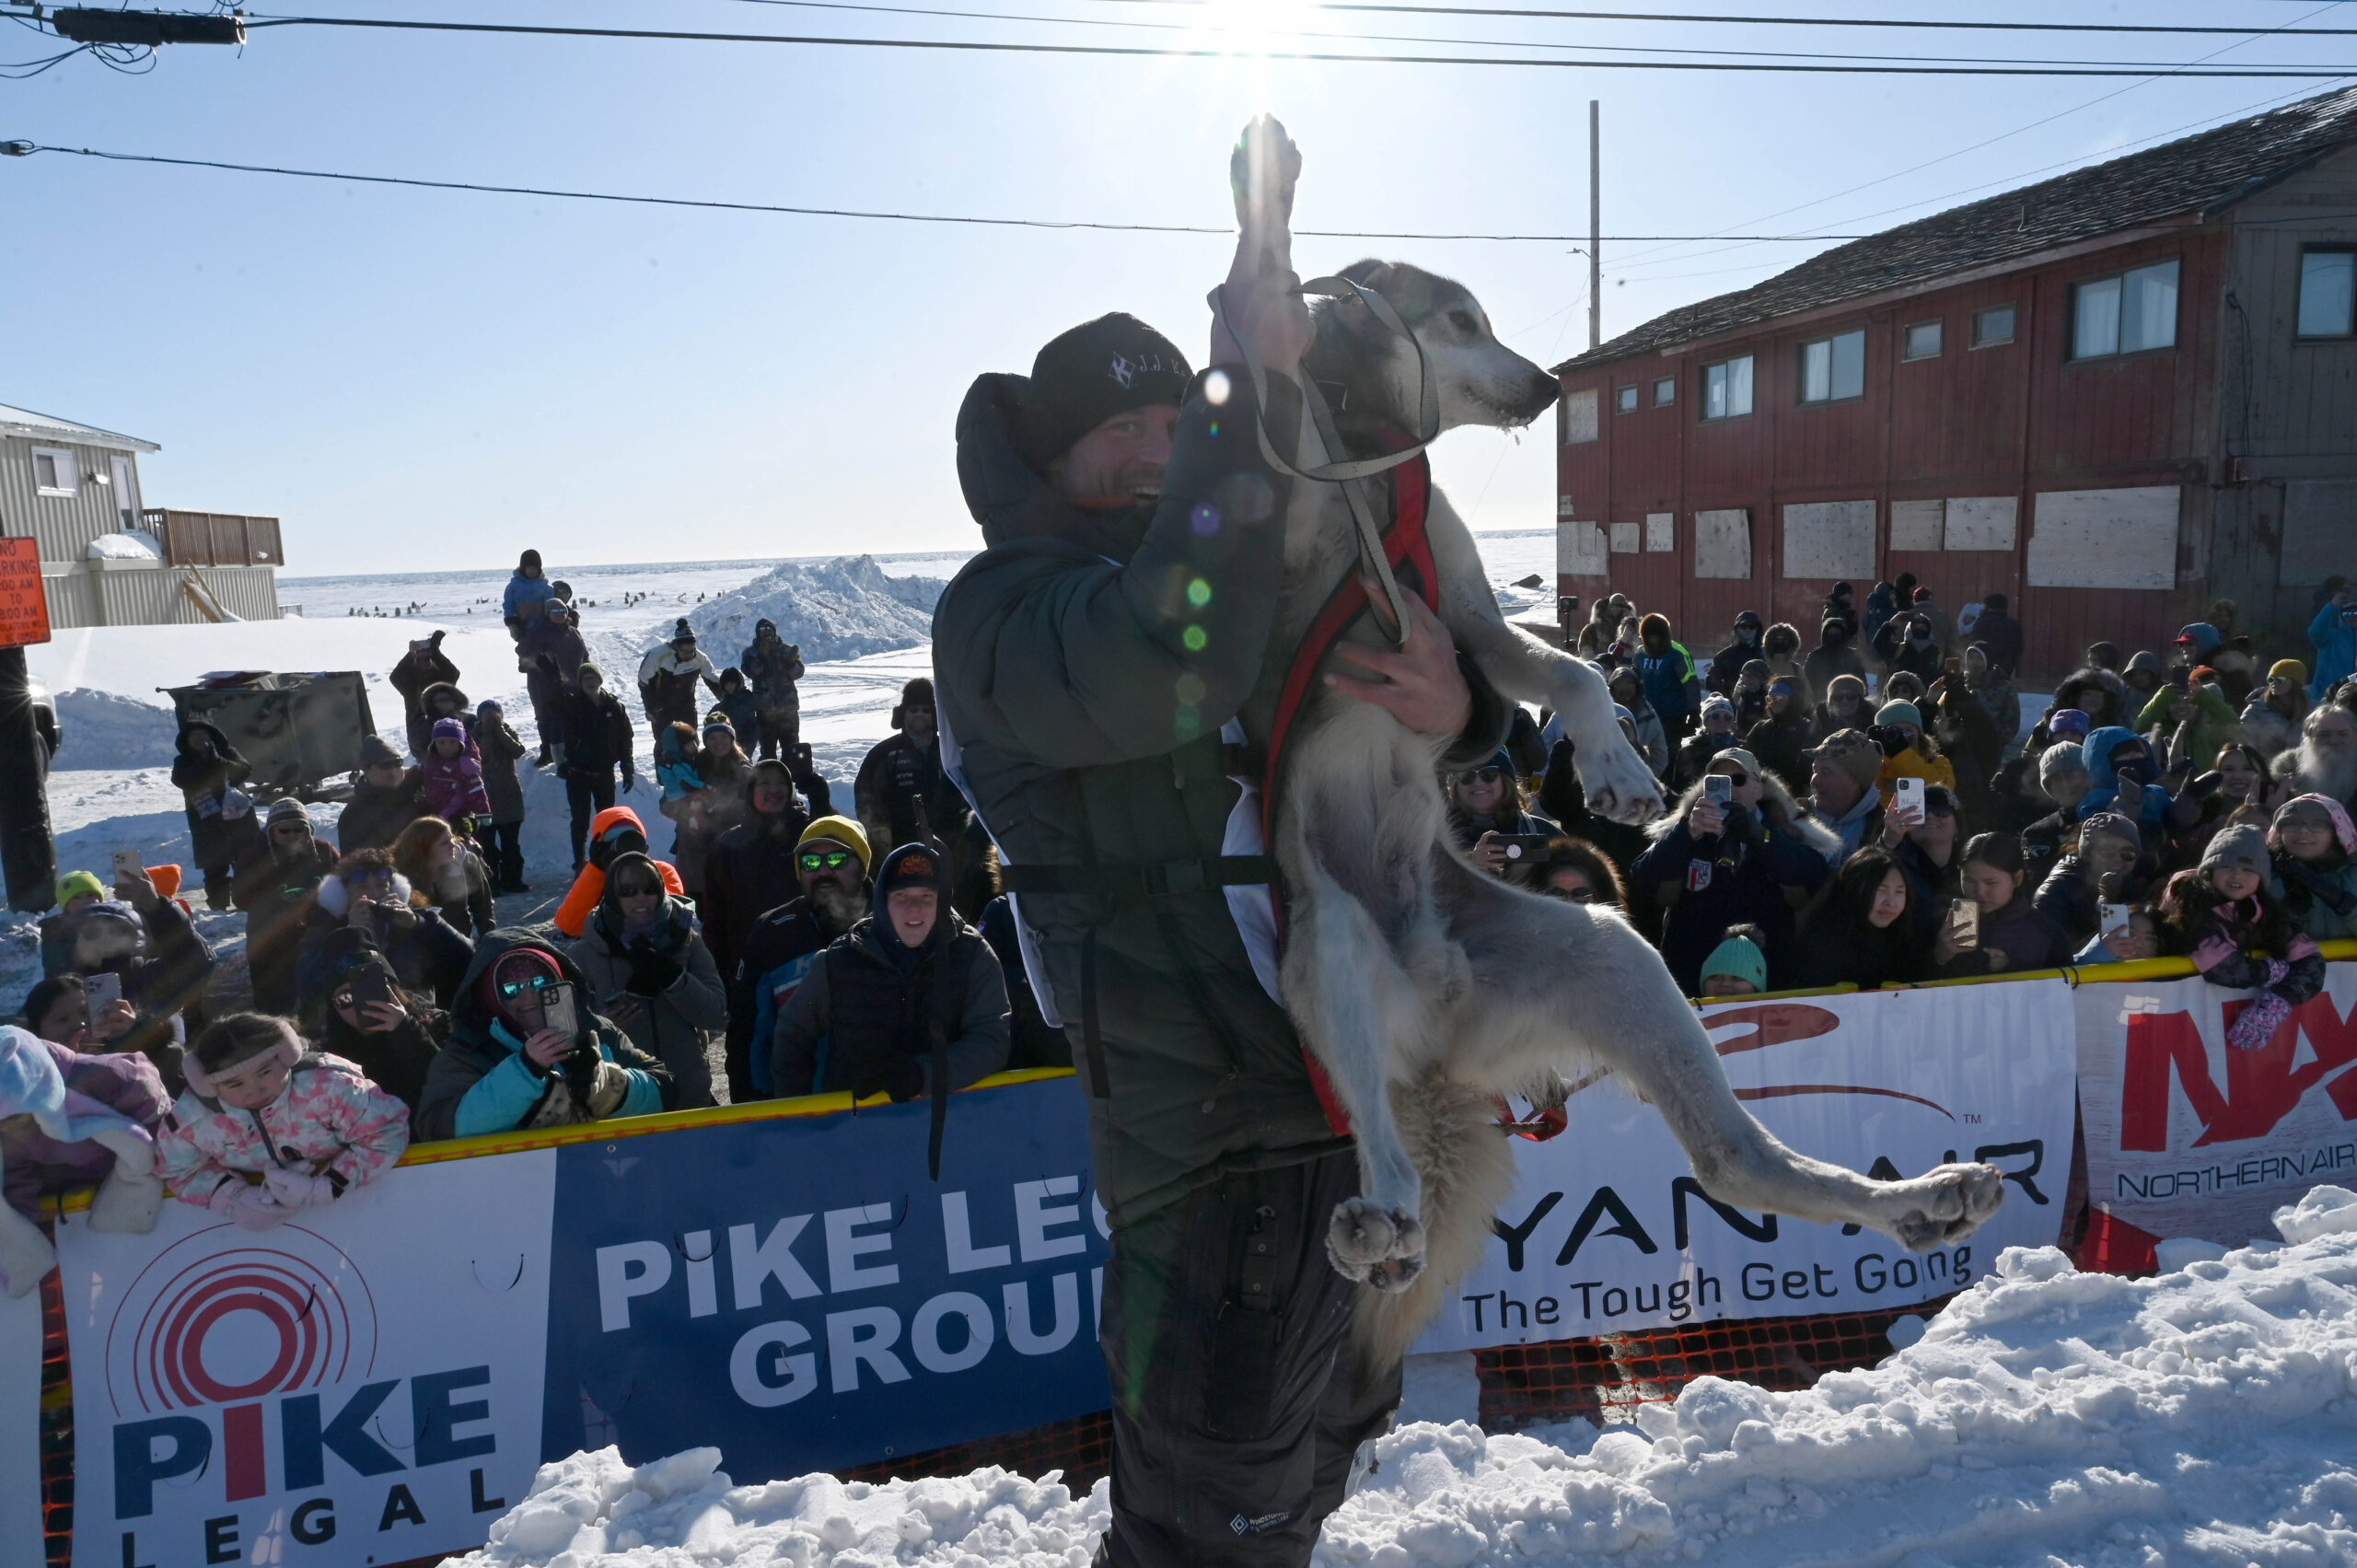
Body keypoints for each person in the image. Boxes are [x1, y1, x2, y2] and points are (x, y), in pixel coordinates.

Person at [932, 239, 1515, 1558]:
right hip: (1209, 1152)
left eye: (1165, 421)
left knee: (1317, 1455)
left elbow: (1370, 721)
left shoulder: (1232, 583)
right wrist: (1240, 399)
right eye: (1116, 428)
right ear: (1052, 456)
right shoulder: (1005, 610)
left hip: (1352, 1113)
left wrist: (1462, 708)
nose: (1147, 449)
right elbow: (1162, 666)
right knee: (1213, 1509)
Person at [768, 843, 1010, 1138]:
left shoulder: (973, 955)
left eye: (927, 897)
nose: (914, 908)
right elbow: (792, 1035)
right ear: (883, 902)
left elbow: (991, 1040)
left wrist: (920, 1075)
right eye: (901, 896)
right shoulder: (839, 960)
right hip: (852, 1132)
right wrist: (800, 1119)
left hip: (953, 1128)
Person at [159, 1013, 411, 1232]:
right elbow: (177, 1169)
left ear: (286, 1056)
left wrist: (327, 1185)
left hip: (356, 1215)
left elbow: (386, 1130)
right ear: (209, 1086)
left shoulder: (327, 1087)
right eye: (235, 1084)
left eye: (265, 1072)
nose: (255, 1090)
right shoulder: (193, 1120)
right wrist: (233, 1199)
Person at [413, 935, 673, 1140]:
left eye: (539, 983)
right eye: (511, 988)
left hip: (609, 1172)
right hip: (521, 1190)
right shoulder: (468, 1049)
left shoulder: (595, 1028)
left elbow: (665, 1090)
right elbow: (437, 1127)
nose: (528, 997)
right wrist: (525, 1072)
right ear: (488, 995)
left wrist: (607, 1086)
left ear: (557, 980)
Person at [1630, 746, 1833, 994]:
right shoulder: (1684, 831)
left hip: (1766, 979)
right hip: (1693, 980)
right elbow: (1644, 875)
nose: (1729, 789)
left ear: (1758, 789)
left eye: (1737, 780)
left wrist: (1763, 839)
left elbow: (1815, 875)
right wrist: (1686, 833)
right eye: (1718, 781)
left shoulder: (1784, 830)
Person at [570, 851, 726, 1109]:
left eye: (649, 887)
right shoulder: (583, 954)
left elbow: (716, 1014)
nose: (641, 897)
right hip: (622, 1107)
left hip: (690, 1098)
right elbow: (564, 1033)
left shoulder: (686, 941)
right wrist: (601, 1025)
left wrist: (674, 978)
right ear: (612, 896)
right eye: (628, 890)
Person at [730, 816, 871, 1100]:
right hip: (798, 1106)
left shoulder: (896, 921)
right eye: (811, 863)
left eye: (836, 861)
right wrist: (751, 1107)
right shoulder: (773, 931)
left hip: (886, 1104)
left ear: (862, 867)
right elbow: (746, 1032)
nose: (823, 872)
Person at [2157, 825, 2326, 1051]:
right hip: (2174, 1016)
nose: (2237, 876)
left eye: (2248, 870)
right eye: (2226, 866)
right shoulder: (2190, 907)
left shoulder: (2265, 911)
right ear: (2209, 871)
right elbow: (2223, 968)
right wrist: (2273, 970)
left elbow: (2311, 961)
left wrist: (2279, 1002)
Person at [0, 1026, 168, 1246]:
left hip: (164, 1187)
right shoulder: (11, 1136)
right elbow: (15, 1185)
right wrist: (24, 1243)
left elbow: (168, 1124)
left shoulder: (108, 1077)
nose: (7, 1126)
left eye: (12, 1117)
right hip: (89, 1209)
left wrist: (170, 1170)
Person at [45, 874, 212, 1091]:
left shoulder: (149, 975)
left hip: (162, 1087)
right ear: (72, 945)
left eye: (119, 930)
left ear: (136, 939)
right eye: (91, 933)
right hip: (92, 1093)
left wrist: (157, 908)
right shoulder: (63, 990)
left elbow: (197, 963)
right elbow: (32, 1032)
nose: (104, 939)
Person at [297, 849, 472, 1026]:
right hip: (351, 1028)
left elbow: (467, 959)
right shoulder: (323, 931)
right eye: (362, 887)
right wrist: (351, 937)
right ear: (342, 896)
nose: (374, 894)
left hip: (416, 1021)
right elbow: (308, 987)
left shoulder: (415, 921)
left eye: (381, 885)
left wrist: (419, 925)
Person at [703, 758, 824, 990]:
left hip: (811, 957)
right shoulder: (728, 846)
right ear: (750, 791)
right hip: (751, 962)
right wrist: (720, 972)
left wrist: (822, 805)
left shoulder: (809, 833)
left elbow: (843, 867)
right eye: (764, 783)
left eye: (781, 783)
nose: (774, 790)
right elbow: (715, 916)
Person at [233, 799, 340, 1014]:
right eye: (285, 830)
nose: (292, 836)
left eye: (299, 830)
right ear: (271, 831)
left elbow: (341, 881)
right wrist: (276, 901)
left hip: (315, 930)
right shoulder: (253, 857)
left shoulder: (323, 850)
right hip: (270, 934)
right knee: (274, 996)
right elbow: (240, 897)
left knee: (318, 992)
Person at [317, 945, 445, 1121]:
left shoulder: (439, 1024)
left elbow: (450, 1082)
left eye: (371, 990)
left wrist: (406, 1030)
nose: (360, 1004)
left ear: (393, 989)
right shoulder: (328, 1059)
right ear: (333, 1009)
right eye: (345, 999)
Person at [854, 678, 970, 861]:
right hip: (899, 848)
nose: (919, 715)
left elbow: (969, 795)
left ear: (935, 715)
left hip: (950, 848)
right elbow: (867, 800)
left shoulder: (951, 752)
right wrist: (881, 842)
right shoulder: (884, 754)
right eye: (913, 710)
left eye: (926, 710)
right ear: (903, 713)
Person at [1789, 847, 1927, 990]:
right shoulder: (1825, 947)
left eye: (1899, 891)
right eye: (1880, 890)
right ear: (1853, 889)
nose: (1891, 902)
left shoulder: (1905, 938)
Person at [1933, 832, 2068, 977]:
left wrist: (2012, 968)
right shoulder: (1941, 924)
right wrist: (1939, 957)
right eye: (1969, 881)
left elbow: (2065, 989)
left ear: (2017, 878)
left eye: (1991, 883)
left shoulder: (2044, 931)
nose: (1980, 892)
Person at [552, 805, 685, 938]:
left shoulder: (663, 871)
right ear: (602, 847)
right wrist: (597, 869)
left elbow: (673, 916)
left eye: (633, 840)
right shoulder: (599, 876)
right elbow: (570, 926)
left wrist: (646, 872)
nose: (627, 847)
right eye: (615, 841)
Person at [556, 664, 640, 870]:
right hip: (579, 774)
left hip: (604, 773)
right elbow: (560, 732)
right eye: (585, 679)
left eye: (593, 678)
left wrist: (627, 768)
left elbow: (625, 739)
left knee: (607, 819)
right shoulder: (572, 706)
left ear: (600, 680)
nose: (590, 682)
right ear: (580, 683)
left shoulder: (614, 706)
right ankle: (580, 864)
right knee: (581, 821)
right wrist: (563, 762)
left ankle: (605, 862)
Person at [170, 721, 259, 910]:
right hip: (207, 824)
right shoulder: (183, 761)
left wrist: (217, 760)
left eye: (204, 735)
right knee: (214, 868)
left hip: (239, 820)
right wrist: (203, 761)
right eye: (194, 736)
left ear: (212, 736)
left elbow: (244, 770)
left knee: (246, 863)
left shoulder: (228, 753)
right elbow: (181, 780)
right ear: (187, 741)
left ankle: (250, 902)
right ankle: (218, 906)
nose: (200, 739)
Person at [2031, 811, 2144, 947]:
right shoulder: (2055, 892)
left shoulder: (2129, 886)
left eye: (2128, 853)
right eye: (2107, 850)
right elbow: (2059, 952)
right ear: (2088, 854)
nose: (2118, 859)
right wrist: (2109, 906)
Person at [1445, 749, 1558, 880]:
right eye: (1466, 776)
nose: (1477, 783)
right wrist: (1470, 866)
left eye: (1488, 774)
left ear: (1505, 780)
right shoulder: (1439, 839)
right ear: (1455, 785)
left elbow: (1575, 878)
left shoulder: (1541, 831)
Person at [390, 815, 497, 938]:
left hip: (461, 943)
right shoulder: (403, 873)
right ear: (425, 849)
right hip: (422, 944)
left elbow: (483, 908)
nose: (453, 845)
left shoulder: (466, 861)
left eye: (451, 838)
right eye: (444, 843)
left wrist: (489, 940)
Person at [2270, 794, 2357, 943]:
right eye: (2291, 823)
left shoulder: (2353, 875)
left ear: (2336, 832)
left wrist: (2342, 901)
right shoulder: (2261, 874)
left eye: (2317, 824)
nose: (2303, 830)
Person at [519, 597, 589, 764]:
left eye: (563, 611)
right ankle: (559, 762)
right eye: (555, 611)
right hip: (549, 687)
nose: (560, 614)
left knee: (575, 721)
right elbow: (525, 659)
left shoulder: (573, 632)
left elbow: (585, 656)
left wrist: (588, 674)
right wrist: (544, 669)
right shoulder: (538, 633)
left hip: (575, 684)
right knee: (552, 721)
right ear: (547, 613)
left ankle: (577, 757)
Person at [1802, 728, 1885, 862]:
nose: (1814, 781)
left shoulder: (1884, 828)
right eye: (1814, 770)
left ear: (1856, 780)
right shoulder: (1794, 817)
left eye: (1826, 772)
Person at [338, 736, 428, 853]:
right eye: (385, 765)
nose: (394, 771)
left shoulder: (417, 792)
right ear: (367, 770)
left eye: (398, 763)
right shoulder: (354, 814)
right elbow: (354, 862)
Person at [476, 699, 529, 893]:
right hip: (485, 798)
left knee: (511, 845)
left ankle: (513, 880)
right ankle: (492, 883)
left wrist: (500, 730)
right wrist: (488, 732)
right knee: (487, 846)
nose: (490, 717)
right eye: (486, 713)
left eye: (494, 712)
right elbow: (482, 755)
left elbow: (517, 751)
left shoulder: (508, 731)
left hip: (509, 796)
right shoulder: (475, 735)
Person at [638, 620, 721, 745]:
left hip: (687, 706)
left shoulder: (699, 658)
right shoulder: (657, 656)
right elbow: (644, 682)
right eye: (684, 652)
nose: (689, 655)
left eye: (692, 651)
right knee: (665, 744)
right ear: (676, 646)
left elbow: (713, 678)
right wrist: (650, 707)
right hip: (662, 708)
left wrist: (729, 697)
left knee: (691, 742)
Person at [2081, 726, 2171, 830]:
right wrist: (2126, 801)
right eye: (2124, 753)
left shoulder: (2157, 792)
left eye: (2138, 752)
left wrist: (2188, 794)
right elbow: (2104, 836)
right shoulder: (2094, 802)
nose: (2135, 757)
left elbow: (2180, 822)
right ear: (2102, 762)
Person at [739, 619, 806, 760]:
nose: (767, 631)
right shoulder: (750, 653)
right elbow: (751, 672)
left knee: (792, 750)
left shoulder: (786, 650)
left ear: (775, 632)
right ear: (758, 633)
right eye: (763, 629)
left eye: (769, 628)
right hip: (765, 712)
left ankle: (791, 780)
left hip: (788, 710)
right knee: (768, 751)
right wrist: (761, 656)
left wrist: (791, 663)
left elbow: (798, 673)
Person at [389, 632, 462, 761]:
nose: (424, 661)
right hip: (421, 741)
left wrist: (436, 651)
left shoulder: (442, 679)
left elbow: (453, 674)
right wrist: (410, 655)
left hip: (447, 736)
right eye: (419, 658)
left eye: (428, 658)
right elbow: (395, 677)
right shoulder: (410, 685)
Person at [1634, 613, 1701, 739]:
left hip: (1673, 715)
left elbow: (1690, 683)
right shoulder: (1640, 654)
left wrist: (1694, 711)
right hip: (1646, 713)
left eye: (1657, 637)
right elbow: (1634, 680)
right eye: (1650, 637)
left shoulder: (1677, 653)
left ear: (1664, 636)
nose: (1653, 640)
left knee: (1670, 752)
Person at [420, 717, 492, 827]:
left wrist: (483, 812)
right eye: (442, 743)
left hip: (459, 814)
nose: (447, 747)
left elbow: (476, 790)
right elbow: (419, 775)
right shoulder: (431, 762)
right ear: (434, 744)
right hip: (434, 812)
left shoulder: (465, 764)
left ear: (461, 743)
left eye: (452, 742)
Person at [2280, 704, 2357, 807]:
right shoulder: (2285, 776)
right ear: (2309, 738)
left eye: (2343, 734)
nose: (2334, 741)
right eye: (2324, 734)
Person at [1606, 666, 1670, 777]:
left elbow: (1660, 754)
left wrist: (1648, 777)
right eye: (1619, 683)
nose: (1625, 688)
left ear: (1637, 686)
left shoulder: (1648, 713)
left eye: (1629, 682)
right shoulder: (1604, 711)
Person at [1532, 837, 1628, 909]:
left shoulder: (1618, 935)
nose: (1569, 904)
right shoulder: (1525, 935)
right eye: (1557, 895)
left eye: (1581, 896)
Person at [2242, 661, 2311, 761]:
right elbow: (2246, 741)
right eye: (2271, 679)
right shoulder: (2256, 709)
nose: (2274, 683)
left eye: (2281, 679)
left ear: (2296, 682)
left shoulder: (2314, 710)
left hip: (2304, 767)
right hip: (2265, 768)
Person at [1672, 695, 1742, 789]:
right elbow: (1679, 787)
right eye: (1715, 716)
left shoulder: (1740, 749)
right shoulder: (1690, 751)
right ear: (1706, 720)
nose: (1721, 720)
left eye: (1727, 717)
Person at [1804, 618, 1867, 703]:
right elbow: (1807, 682)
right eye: (1831, 631)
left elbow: (1861, 682)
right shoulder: (1815, 656)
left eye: (1837, 631)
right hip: (1821, 701)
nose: (1834, 634)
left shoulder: (1852, 655)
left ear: (1843, 634)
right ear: (1825, 634)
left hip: (1847, 701)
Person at [1695, 924, 1768, 998]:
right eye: (1714, 977)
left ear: (1756, 988)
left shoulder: (1778, 1010)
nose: (1725, 983)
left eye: (1736, 977)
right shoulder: (1686, 1010)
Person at [1705, 610, 1764, 695]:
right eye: (1743, 626)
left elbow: (1775, 679)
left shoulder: (1766, 654)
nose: (1748, 630)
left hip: (1762, 704)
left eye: (1752, 626)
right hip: (1734, 705)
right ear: (1737, 629)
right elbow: (1711, 680)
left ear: (1758, 629)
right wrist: (1727, 698)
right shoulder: (1724, 656)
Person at [2313, 591, 2357, 703]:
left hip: (2353, 698)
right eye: (2347, 614)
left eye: (2355, 613)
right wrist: (2332, 607)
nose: (2351, 616)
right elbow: (2315, 632)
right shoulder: (2330, 636)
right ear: (2341, 616)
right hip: (2327, 696)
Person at [502, 548, 554, 642]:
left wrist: (551, 620)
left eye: (535, 568)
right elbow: (508, 605)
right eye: (529, 568)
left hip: (543, 627)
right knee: (526, 653)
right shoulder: (513, 586)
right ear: (523, 568)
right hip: (522, 626)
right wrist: (512, 623)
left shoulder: (545, 587)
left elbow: (551, 604)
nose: (532, 571)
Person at [1972, 593, 2023, 676]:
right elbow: (2019, 647)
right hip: (2006, 669)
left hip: (1984, 670)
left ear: (1988, 607)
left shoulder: (1981, 623)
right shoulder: (2013, 624)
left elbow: (1975, 646)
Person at [1816, 672, 1874, 742]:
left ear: (1860, 700)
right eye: (1838, 697)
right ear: (1831, 701)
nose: (1845, 702)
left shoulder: (1874, 723)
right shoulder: (1818, 726)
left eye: (1851, 696)